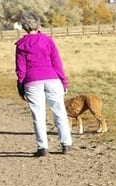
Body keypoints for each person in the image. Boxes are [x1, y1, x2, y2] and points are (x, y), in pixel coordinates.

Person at [15, 11, 72, 157]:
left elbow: (21, 69)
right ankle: (66, 144)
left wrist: (21, 86)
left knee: (38, 115)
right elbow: (57, 63)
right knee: (59, 112)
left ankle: (43, 147)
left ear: (24, 26)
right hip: (53, 79)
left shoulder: (21, 45)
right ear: (38, 24)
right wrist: (63, 81)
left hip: (32, 81)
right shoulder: (48, 40)